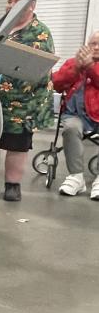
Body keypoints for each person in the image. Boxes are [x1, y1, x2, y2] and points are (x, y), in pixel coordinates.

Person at [0, 0, 55, 202]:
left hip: (25, 101)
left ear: (31, 5)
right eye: (9, 1)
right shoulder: (1, 26)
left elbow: (39, 70)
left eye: (16, 1)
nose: (10, 5)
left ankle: (12, 185)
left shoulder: (40, 33)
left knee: (16, 145)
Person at [52, 30, 99, 198]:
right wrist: (77, 68)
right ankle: (76, 176)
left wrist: (91, 68)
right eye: (93, 43)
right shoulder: (73, 62)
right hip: (75, 115)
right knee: (70, 128)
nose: (96, 47)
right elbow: (56, 84)